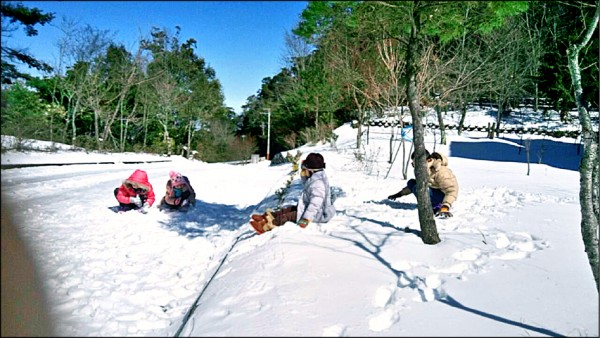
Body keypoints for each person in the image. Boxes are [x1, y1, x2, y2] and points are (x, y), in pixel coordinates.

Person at [250, 152, 336, 234]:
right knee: (290, 209)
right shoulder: (316, 177)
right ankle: (269, 216)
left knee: (288, 216)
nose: (303, 171)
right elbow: (307, 185)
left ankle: (267, 226)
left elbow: (315, 204)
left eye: (305, 169)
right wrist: (303, 174)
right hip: (312, 210)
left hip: (317, 215)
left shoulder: (318, 183)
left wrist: (306, 219)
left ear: (311, 170)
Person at [387, 150, 458, 218]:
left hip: (442, 197)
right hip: (430, 191)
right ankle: (429, 204)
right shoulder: (423, 170)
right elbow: (413, 186)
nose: (415, 166)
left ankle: (437, 206)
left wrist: (445, 206)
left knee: (422, 187)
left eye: (417, 163)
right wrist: (399, 194)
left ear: (429, 160)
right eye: (413, 164)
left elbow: (452, 190)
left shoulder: (441, 172)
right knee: (412, 183)